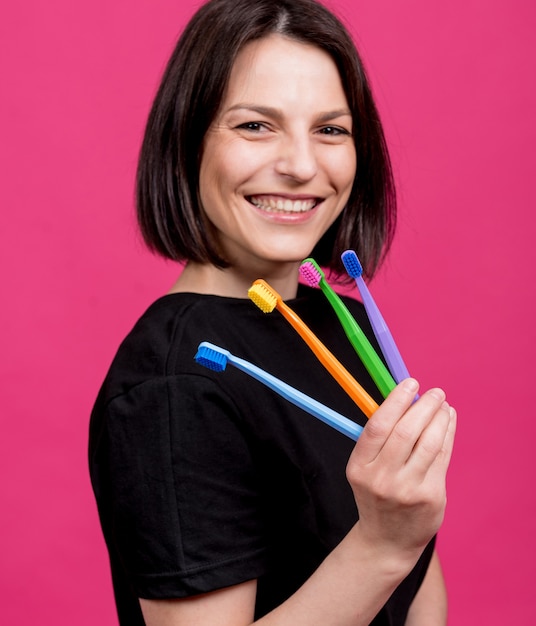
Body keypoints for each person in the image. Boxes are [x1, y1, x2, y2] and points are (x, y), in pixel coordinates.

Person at [88, 0, 457, 624]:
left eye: (331, 130)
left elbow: (419, 598)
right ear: (187, 141)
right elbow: (398, 548)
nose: (301, 166)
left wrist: (406, 536)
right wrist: (384, 543)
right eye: (256, 126)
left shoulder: (347, 325)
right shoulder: (173, 386)